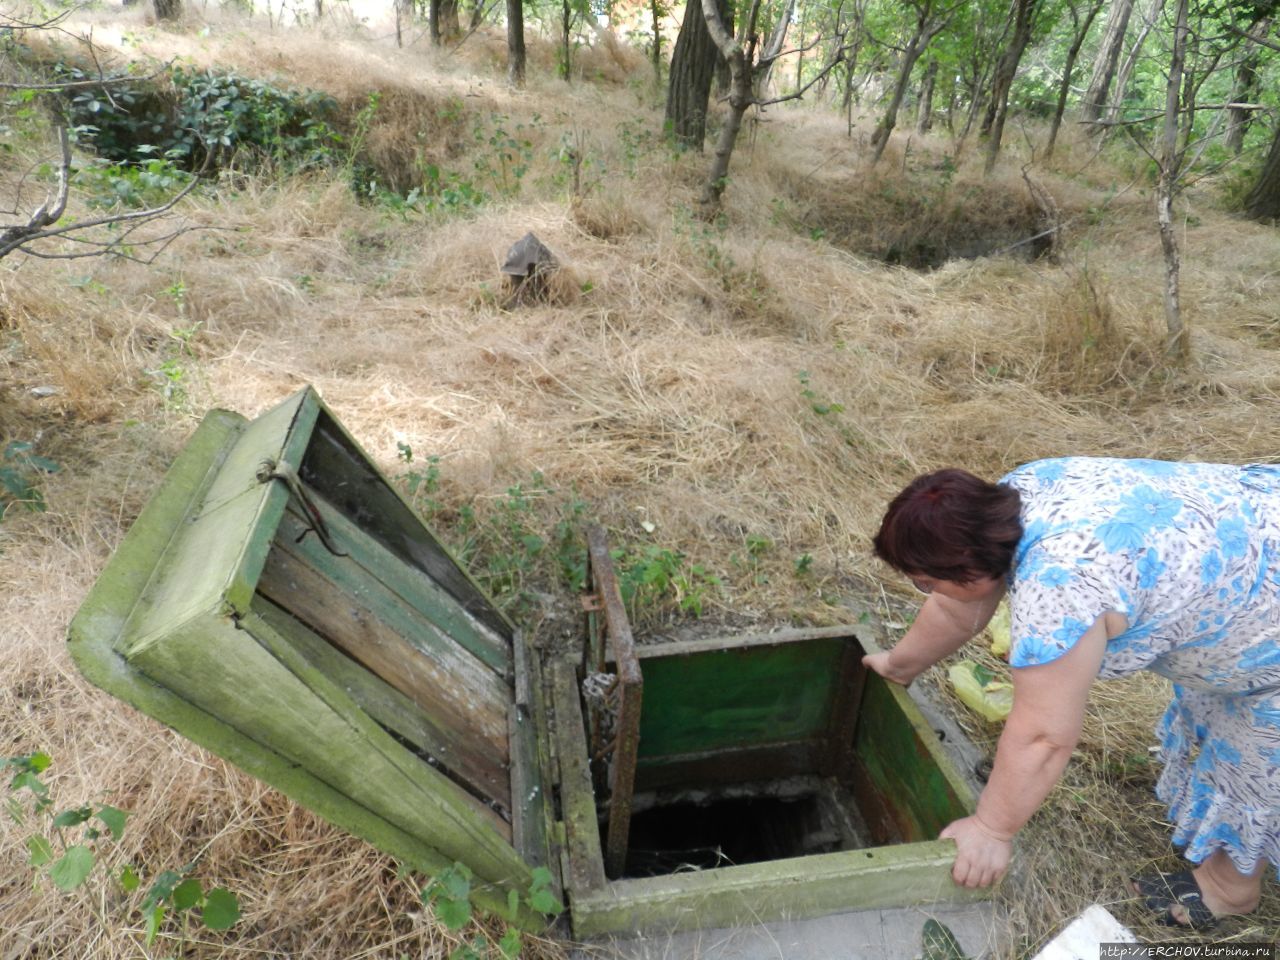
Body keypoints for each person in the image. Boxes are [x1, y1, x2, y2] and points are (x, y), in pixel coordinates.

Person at [865, 458, 1279, 929]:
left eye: (925, 581)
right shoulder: (1013, 496)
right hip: (1259, 532)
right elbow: (959, 605)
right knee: (1226, 726)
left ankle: (1229, 889)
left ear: (966, 568)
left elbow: (1044, 735)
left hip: (1270, 622)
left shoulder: (1062, 587)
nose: (924, 589)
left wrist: (990, 829)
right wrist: (900, 666)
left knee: (1255, 755)